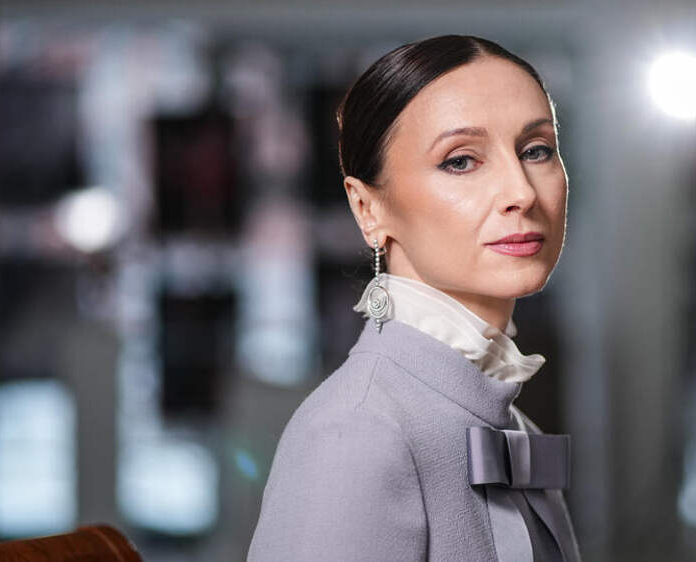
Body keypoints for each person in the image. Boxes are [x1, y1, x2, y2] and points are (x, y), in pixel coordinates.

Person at [247, 34, 580, 562]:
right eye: (461, 161)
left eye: (536, 150)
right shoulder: (355, 433)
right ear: (368, 209)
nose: (521, 193)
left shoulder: (511, 425)